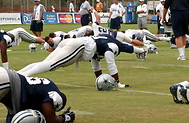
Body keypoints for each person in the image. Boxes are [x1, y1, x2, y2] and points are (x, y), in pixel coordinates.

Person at [17, 34, 147, 87]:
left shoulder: (108, 42)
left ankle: (17, 73)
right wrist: (117, 83)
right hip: (80, 46)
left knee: (45, 63)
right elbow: (110, 64)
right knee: (51, 65)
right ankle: (21, 77)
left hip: (73, 42)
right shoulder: (110, 48)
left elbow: (129, 48)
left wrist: (143, 50)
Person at [0, 67, 75, 123]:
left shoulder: (41, 88)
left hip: (7, 76)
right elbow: (51, 119)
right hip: (8, 80)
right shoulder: (52, 93)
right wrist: (64, 118)